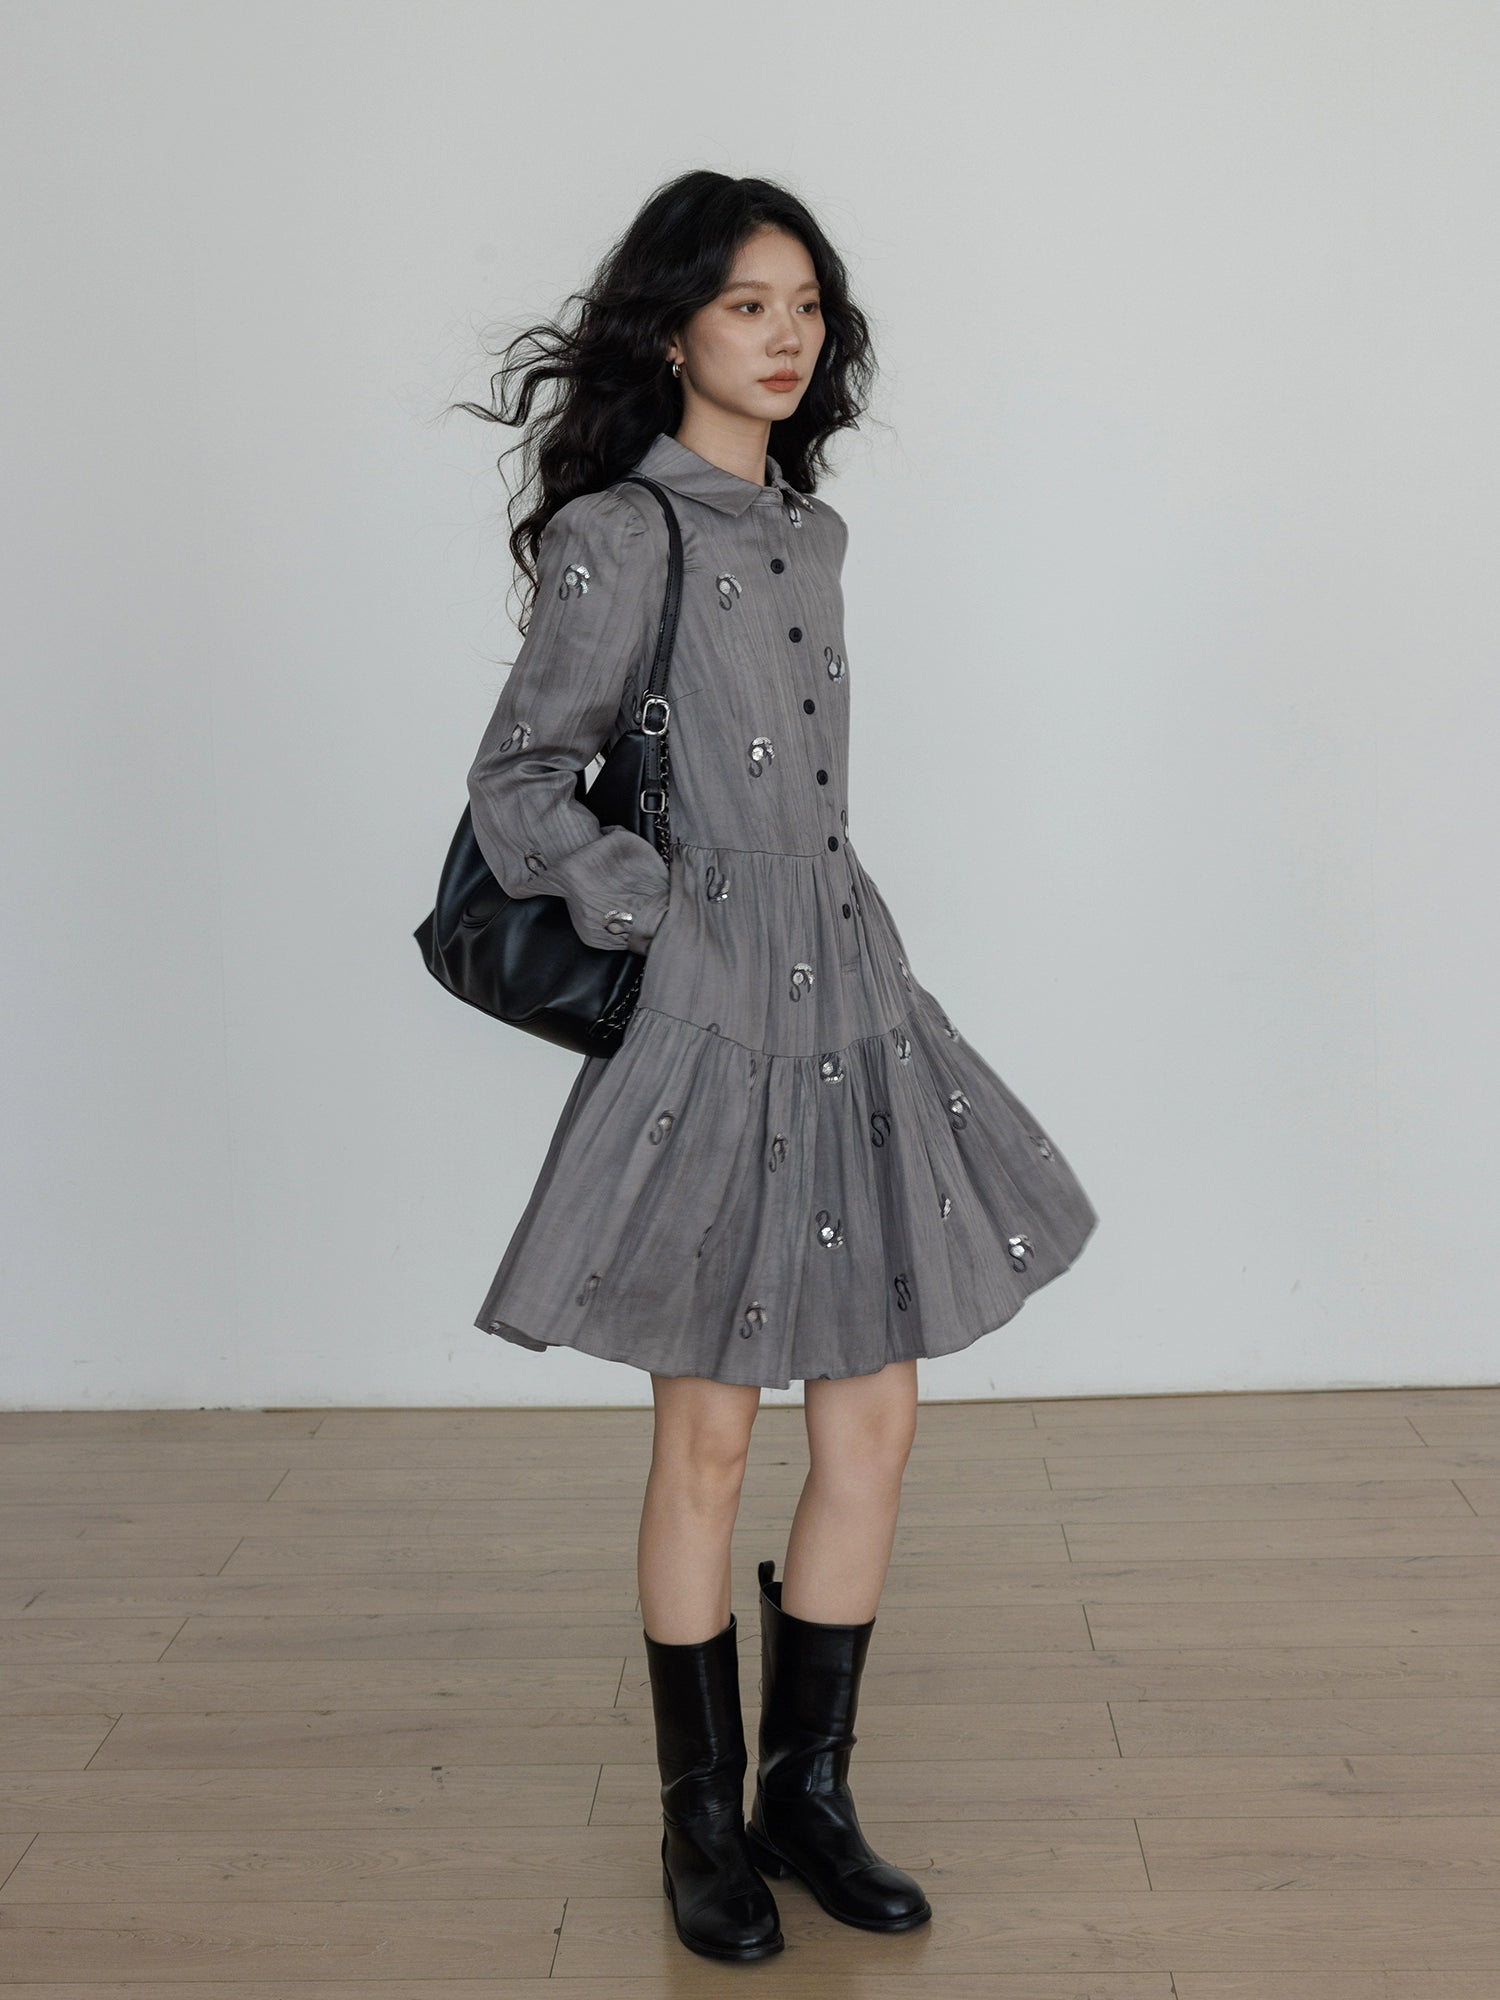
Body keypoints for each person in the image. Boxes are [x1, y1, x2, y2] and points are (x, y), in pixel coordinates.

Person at [451, 170, 1099, 1962]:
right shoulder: (618, 534)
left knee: (877, 1415)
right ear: (674, 329)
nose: (787, 333)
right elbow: (518, 781)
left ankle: (808, 1797)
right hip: (716, 1011)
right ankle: (700, 1824)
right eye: (748, 304)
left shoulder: (813, 537)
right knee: (714, 1430)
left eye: (805, 303)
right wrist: (655, 911)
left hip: (851, 985)